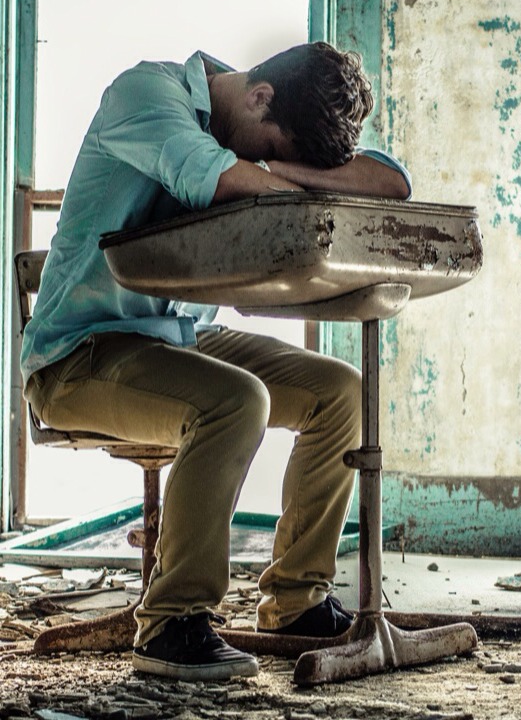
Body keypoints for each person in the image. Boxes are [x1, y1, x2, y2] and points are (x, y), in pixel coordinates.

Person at [20, 42, 411, 680]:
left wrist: (282, 169)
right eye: (271, 149)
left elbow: (391, 180)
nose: (268, 164)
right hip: (78, 356)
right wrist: (279, 175)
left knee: (341, 392)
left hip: (177, 339)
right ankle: (170, 624)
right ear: (259, 98)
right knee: (236, 401)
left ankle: (294, 601)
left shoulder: (264, 119)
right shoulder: (148, 94)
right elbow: (219, 178)